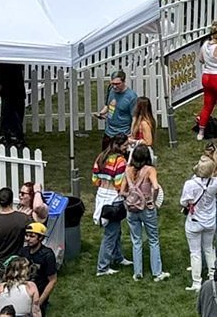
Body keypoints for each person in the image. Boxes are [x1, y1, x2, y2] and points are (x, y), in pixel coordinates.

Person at [123, 145, 169, 282]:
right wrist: (152, 201)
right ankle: (157, 273)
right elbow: (155, 187)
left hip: (131, 209)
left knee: (136, 241)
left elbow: (121, 191)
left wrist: (130, 196)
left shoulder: (127, 170)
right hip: (146, 209)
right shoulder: (150, 170)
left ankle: (138, 273)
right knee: (153, 239)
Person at [182, 155, 217, 290]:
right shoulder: (215, 182)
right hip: (210, 221)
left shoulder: (190, 184)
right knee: (209, 249)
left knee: (195, 252)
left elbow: (183, 201)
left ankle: (197, 282)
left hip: (194, 221)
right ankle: (212, 276)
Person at [92, 136, 128, 277]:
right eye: (125, 145)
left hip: (101, 194)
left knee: (116, 230)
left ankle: (118, 257)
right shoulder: (120, 162)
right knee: (110, 233)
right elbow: (119, 184)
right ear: (119, 146)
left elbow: (95, 179)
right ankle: (103, 267)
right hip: (114, 197)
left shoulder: (101, 157)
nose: (127, 148)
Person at [20, 222, 59, 314]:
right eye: (27, 235)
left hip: (39, 293)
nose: (28, 239)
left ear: (40, 238)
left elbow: (52, 280)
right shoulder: (23, 252)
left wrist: (39, 301)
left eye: (32, 236)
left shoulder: (47, 255)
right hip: (23, 293)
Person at [96, 70, 138, 141]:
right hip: (108, 132)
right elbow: (108, 105)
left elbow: (135, 117)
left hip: (122, 134)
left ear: (124, 82)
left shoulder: (132, 97)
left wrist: (132, 134)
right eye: (113, 83)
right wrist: (101, 113)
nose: (114, 86)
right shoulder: (111, 89)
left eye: (117, 84)